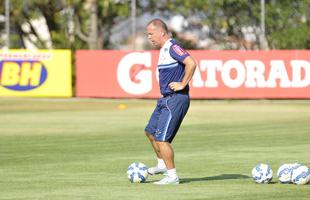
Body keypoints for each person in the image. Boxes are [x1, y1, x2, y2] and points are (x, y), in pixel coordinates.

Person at [144, 18, 197, 185]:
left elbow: (191, 63)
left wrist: (183, 84)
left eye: (151, 34)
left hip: (175, 99)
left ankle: (172, 176)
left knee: (162, 139)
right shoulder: (163, 50)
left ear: (161, 32)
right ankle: (161, 164)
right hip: (165, 99)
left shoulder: (173, 47)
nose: (149, 38)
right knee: (150, 132)